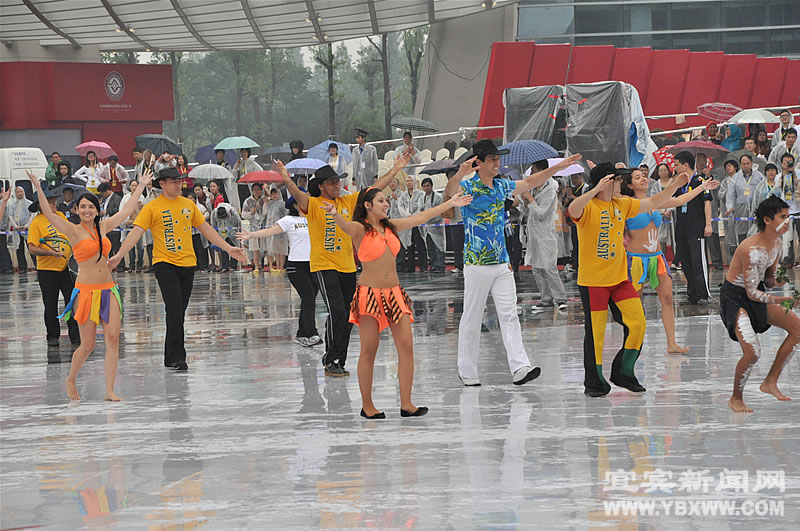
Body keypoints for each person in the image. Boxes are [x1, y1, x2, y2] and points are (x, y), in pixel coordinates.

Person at [321, 186, 472, 418]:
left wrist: (449, 204)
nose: (386, 204)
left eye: (386, 201)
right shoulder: (360, 229)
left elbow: (421, 217)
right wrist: (334, 214)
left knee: (407, 347)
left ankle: (406, 403)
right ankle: (367, 406)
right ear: (368, 205)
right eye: (381, 201)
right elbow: (346, 226)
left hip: (395, 294)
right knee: (369, 351)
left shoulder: (391, 227)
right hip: (369, 295)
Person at [444, 139, 582, 387]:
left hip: (501, 262)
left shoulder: (502, 186)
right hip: (476, 262)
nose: (498, 163)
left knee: (509, 315)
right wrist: (459, 175)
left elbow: (529, 182)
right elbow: (449, 195)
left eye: (498, 159)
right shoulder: (468, 185)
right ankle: (467, 370)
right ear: (480, 162)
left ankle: (520, 367)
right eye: (493, 159)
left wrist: (558, 167)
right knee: (472, 317)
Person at [278, 152, 411, 377]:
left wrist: (395, 169)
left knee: (349, 315)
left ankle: (339, 359)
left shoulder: (347, 201)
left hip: (348, 266)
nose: (338, 185)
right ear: (321, 186)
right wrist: (285, 177)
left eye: (339, 181)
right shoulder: (313, 204)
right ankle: (331, 359)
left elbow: (374, 188)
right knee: (337, 312)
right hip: (323, 265)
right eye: (332, 182)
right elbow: (297, 194)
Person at [27, 169, 152, 401]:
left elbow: (126, 211)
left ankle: (110, 390)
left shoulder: (102, 227)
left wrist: (141, 185)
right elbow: (47, 212)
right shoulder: (71, 230)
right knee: (87, 345)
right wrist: (36, 185)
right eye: (83, 206)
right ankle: (71, 378)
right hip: (85, 293)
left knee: (113, 338)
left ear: (97, 210)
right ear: (76, 209)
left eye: (91, 207)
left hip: (109, 290)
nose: (87, 210)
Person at [108, 168, 248, 371]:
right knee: (173, 308)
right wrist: (119, 256)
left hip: (187, 263)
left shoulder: (188, 205)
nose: (177, 185)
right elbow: (136, 233)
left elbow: (206, 229)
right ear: (162, 184)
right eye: (173, 181)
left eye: (179, 181)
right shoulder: (152, 207)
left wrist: (228, 247)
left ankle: (170, 355)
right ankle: (177, 357)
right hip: (164, 263)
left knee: (179, 311)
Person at [567, 162, 687, 397]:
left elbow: (654, 202)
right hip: (594, 282)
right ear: (607, 182)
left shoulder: (622, 203)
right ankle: (595, 382)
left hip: (620, 279)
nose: (621, 183)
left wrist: (674, 185)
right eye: (618, 180)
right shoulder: (589, 206)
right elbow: (572, 209)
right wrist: (594, 189)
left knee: (638, 324)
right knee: (597, 334)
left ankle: (623, 371)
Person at [621, 167, 719, 353]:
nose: (643, 179)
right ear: (629, 184)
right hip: (636, 260)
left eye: (643, 176)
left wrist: (702, 187)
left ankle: (672, 343)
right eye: (637, 177)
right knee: (635, 304)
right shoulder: (627, 203)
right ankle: (632, 344)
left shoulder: (654, 201)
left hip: (657, 258)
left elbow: (681, 199)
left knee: (667, 299)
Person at [721, 195, 800, 413]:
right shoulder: (750, 249)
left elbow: (768, 280)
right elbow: (752, 293)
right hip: (735, 298)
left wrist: (783, 281)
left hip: (756, 293)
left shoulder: (776, 243)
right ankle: (736, 397)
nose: (787, 221)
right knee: (753, 351)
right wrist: (783, 299)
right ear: (767, 220)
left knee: (797, 329)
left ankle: (770, 382)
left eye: (788, 216)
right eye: (782, 217)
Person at [238, 196, 321, 346]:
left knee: (309, 300)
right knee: (308, 298)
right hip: (297, 266)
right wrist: (251, 235)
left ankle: (302, 333)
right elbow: (270, 231)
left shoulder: (315, 219)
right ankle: (312, 332)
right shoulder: (289, 220)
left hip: (315, 265)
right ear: (295, 205)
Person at [520, 174, 567, 311]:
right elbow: (527, 212)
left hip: (546, 235)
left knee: (549, 268)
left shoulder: (550, 191)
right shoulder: (534, 189)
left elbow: (542, 214)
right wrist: (525, 202)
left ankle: (560, 298)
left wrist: (530, 198)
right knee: (536, 268)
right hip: (534, 235)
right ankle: (545, 299)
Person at [674, 151, 714, 306]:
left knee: (698, 261)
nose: (675, 168)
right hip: (681, 227)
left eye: (677, 164)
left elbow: (707, 202)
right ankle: (692, 293)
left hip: (696, 227)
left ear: (686, 164)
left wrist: (708, 224)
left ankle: (703, 293)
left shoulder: (700, 180)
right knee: (686, 262)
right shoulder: (679, 182)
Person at [726, 154, 765, 251]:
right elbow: (731, 195)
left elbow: (763, 191)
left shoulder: (759, 176)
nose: (746, 166)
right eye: (743, 164)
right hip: (740, 208)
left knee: (756, 232)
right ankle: (744, 255)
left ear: (752, 163)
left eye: (748, 163)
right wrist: (730, 207)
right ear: (740, 165)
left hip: (756, 208)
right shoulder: (735, 178)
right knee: (742, 234)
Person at [417, 177, 446, 272]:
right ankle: (434, 265)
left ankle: (440, 266)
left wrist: (431, 217)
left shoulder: (438, 197)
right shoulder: (422, 198)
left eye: (428, 186)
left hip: (436, 225)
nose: (426, 188)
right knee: (430, 247)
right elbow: (420, 210)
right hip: (426, 227)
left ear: (432, 186)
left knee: (439, 247)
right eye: (424, 186)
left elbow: (441, 211)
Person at [399, 175, 426, 272]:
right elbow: (400, 208)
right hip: (408, 224)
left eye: (411, 181)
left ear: (415, 182)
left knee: (420, 245)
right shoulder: (403, 195)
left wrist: (414, 217)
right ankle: (410, 266)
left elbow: (421, 207)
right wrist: (408, 216)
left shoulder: (421, 194)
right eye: (407, 181)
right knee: (409, 246)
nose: (409, 182)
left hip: (417, 224)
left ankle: (423, 266)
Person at [119, 180, 146, 272]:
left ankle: (139, 264)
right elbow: (121, 210)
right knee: (130, 246)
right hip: (128, 225)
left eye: (136, 185)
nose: (134, 187)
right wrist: (126, 221)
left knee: (140, 246)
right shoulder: (126, 198)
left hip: (138, 225)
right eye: (132, 185)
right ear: (130, 187)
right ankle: (131, 265)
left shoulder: (141, 198)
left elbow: (145, 212)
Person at [241, 183, 267, 271]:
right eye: (255, 189)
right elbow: (244, 215)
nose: (257, 191)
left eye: (258, 189)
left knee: (263, 247)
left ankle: (261, 263)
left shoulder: (264, 200)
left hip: (263, 227)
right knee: (254, 247)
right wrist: (253, 211)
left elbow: (265, 214)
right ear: (252, 191)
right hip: (253, 227)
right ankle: (255, 265)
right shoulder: (248, 201)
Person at [6, 186, 33, 273]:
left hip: (27, 229)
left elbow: (32, 215)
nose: (19, 193)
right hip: (17, 230)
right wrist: (15, 226)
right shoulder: (12, 205)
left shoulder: (29, 203)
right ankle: (22, 267)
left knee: (31, 247)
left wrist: (26, 225)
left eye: (20, 192)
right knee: (19, 248)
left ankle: (37, 265)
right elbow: (10, 216)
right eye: (17, 192)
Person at [97, 183, 123, 269]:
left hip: (114, 226)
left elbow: (118, 210)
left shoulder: (117, 198)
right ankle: (110, 265)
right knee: (109, 248)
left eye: (103, 193)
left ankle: (121, 266)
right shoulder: (104, 200)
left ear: (107, 190)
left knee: (116, 246)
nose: (102, 195)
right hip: (105, 226)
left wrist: (107, 211)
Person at [210, 203, 242, 272]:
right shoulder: (214, 212)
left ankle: (233, 266)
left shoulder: (232, 211)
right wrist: (215, 233)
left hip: (233, 232)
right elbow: (213, 223)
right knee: (224, 249)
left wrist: (239, 232)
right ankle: (225, 266)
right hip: (222, 232)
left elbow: (239, 221)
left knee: (234, 247)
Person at [0, 187, 14, 274]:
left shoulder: (2, 203)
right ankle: (3, 266)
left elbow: (3, 217)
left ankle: (7, 266)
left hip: (1, 229)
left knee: (3, 249)